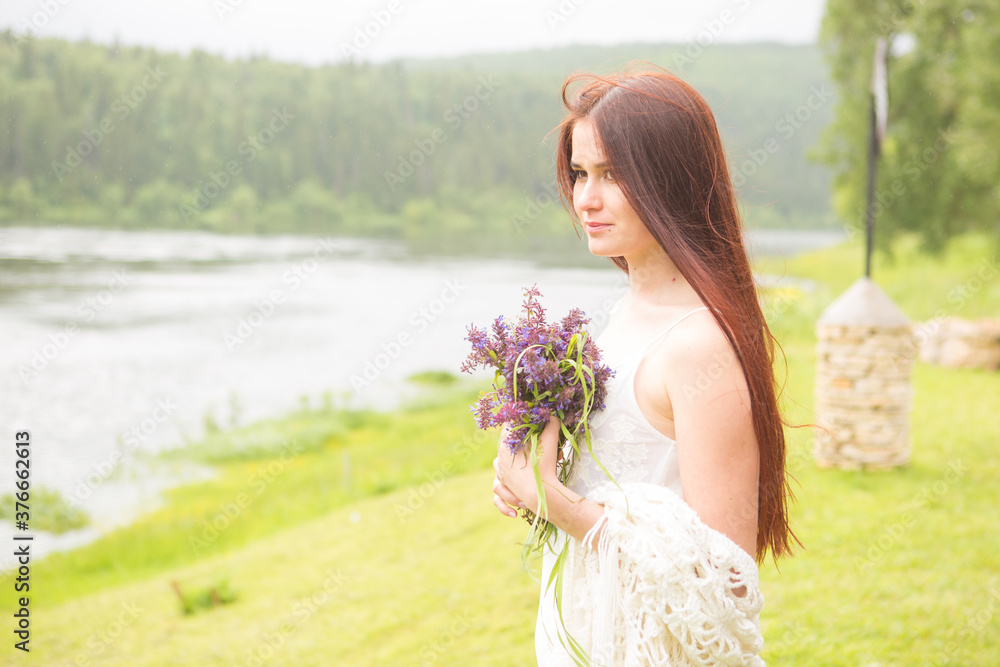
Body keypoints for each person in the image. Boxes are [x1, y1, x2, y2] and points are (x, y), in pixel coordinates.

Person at [491, 68, 798, 665]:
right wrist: (531, 476)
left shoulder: (700, 345)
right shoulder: (629, 310)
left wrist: (560, 504)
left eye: (613, 174)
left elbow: (726, 580)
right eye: (580, 173)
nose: (585, 198)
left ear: (672, 182)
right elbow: (622, 478)